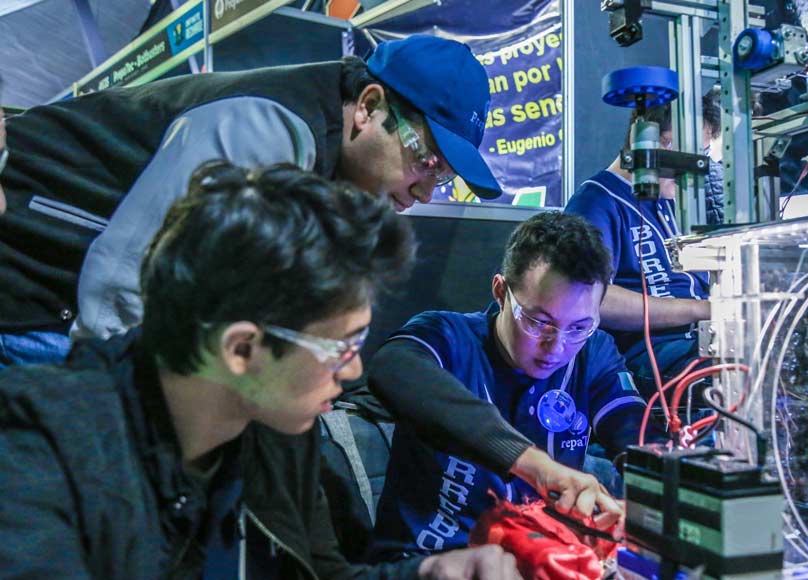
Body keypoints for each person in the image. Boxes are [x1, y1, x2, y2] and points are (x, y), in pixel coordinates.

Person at [0, 161, 521, 579]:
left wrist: (431, 572)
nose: (354, 368)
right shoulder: (38, 450)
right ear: (242, 349)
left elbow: (321, 571)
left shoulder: (275, 425)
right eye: (341, 345)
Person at [0, 34, 502, 368]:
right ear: (369, 106)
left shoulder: (326, 164)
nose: (423, 193)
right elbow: (129, 275)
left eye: (445, 177)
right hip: (35, 292)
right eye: (426, 161)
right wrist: (111, 401)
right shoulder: (269, 128)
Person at [366, 211, 648, 559]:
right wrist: (534, 465)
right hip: (427, 563)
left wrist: (656, 487)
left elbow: (635, 431)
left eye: (578, 327)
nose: (557, 346)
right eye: (538, 322)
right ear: (501, 292)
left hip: (534, 561)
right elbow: (391, 368)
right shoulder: (450, 339)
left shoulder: (594, 353)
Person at [564, 93, 721, 404]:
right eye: (688, 152)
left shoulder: (670, 201)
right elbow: (592, 299)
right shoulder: (595, 201)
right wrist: (703, 309)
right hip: (647, 357)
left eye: (702, 154)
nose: (693, 168)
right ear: (651, 142)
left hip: (697, 339)